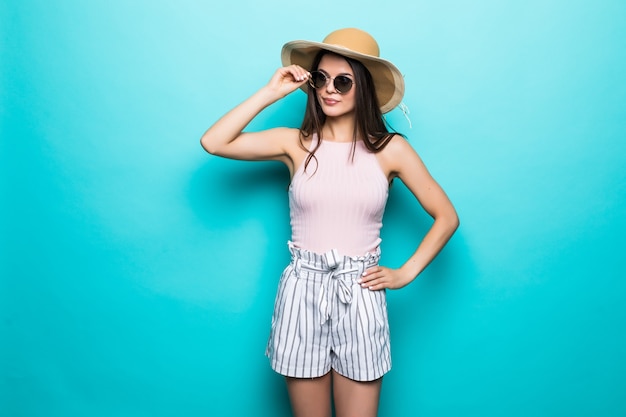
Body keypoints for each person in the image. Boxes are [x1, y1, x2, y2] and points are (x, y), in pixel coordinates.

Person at [200, 27, 459, 417]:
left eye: (343, 81)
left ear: (365, 88)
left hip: (360, 291)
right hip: (303, 288)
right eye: (320, 78)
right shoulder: (295, 143)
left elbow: (446, 217)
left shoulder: (392, 150)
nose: (329, 89)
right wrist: (272, 91)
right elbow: (214, 142)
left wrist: (405, 273)